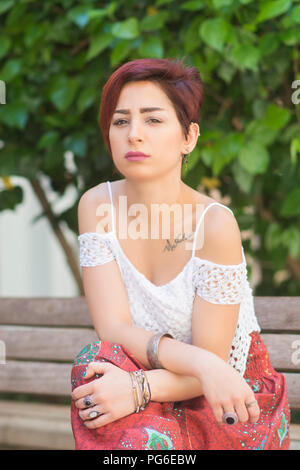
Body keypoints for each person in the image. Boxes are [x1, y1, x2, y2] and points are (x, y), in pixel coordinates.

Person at [70, 58, 290, 450]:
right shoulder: (96, 206)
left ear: (189, 137)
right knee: (95, 361)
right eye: (121, 121)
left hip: (229, 397)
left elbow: (219, 370)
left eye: (153, 120)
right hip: (160, 379)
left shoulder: (214, 225)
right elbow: (115, 329)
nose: (134, 134)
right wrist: (198, 363)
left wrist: (143, 386)